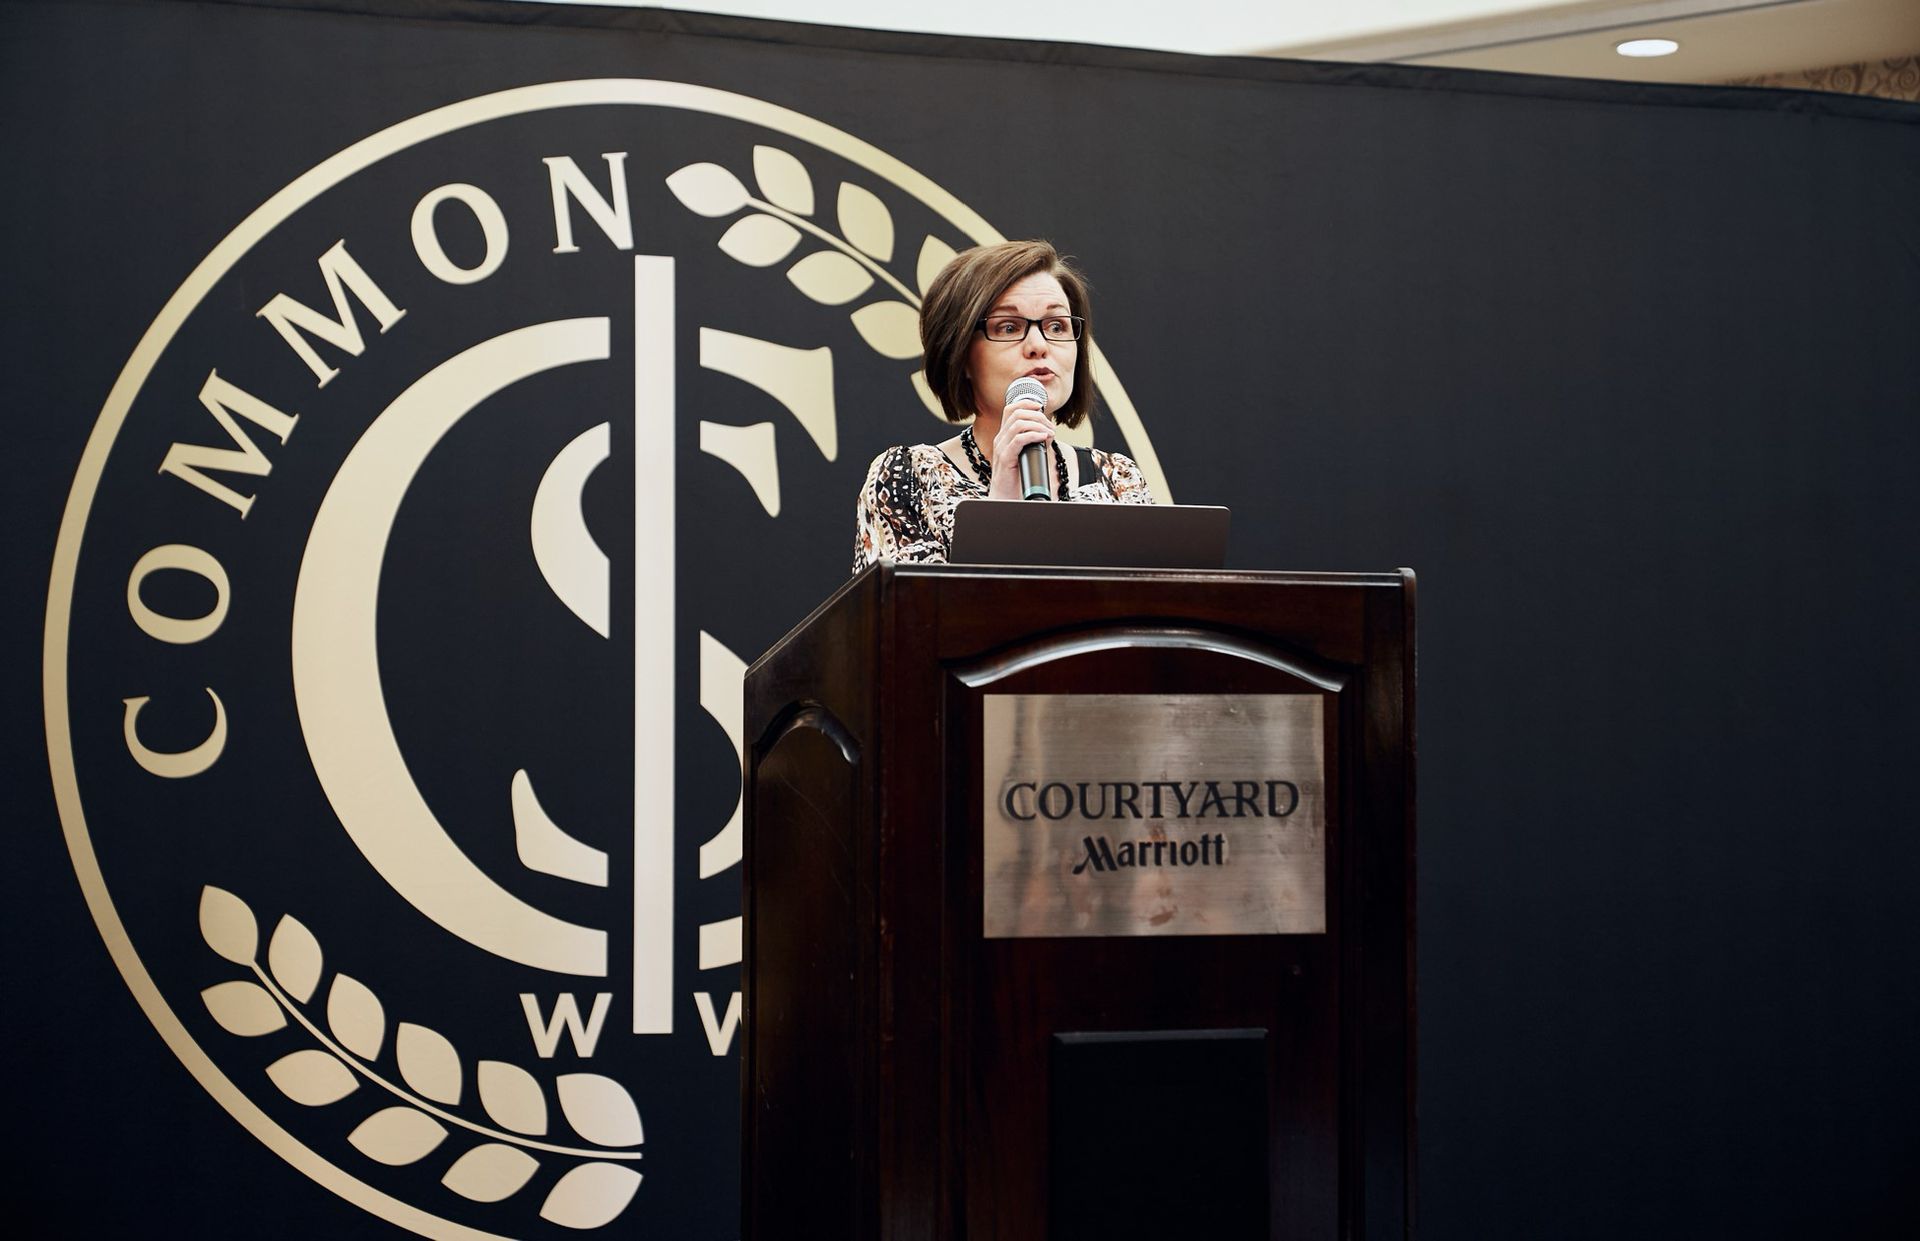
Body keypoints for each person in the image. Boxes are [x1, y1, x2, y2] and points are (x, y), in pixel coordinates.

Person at [851, 239, 1154, 572]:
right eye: (1009, 327)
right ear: (961, 353)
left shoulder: (1118, 480)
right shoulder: (907, 478)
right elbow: (907, 619)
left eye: (1057, 326)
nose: (1039, 345)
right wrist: (1001, 508)